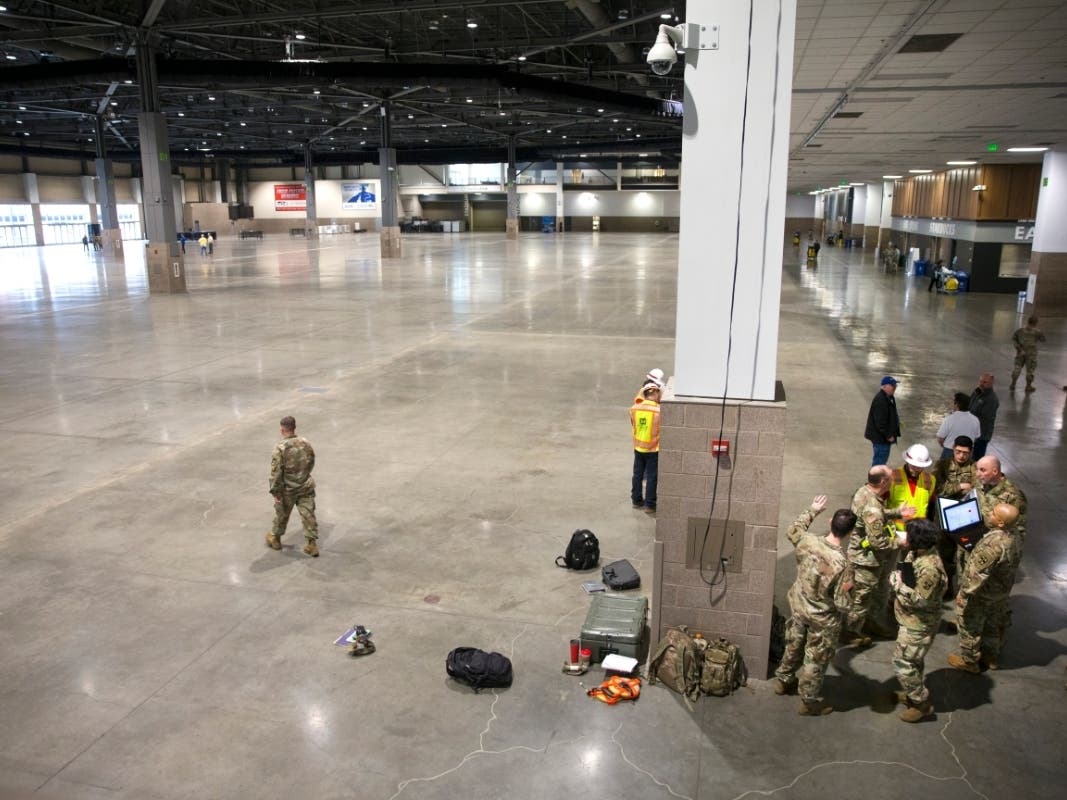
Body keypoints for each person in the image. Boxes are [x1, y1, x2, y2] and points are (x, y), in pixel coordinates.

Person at [774, 495, 855, 716]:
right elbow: (842, 603)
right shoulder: (842, 565)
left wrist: (813, 509)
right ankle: (809, 701)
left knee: (793, 643)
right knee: (815, 658)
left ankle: (783, 680)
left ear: (830, 522)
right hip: (823, 618)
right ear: (850, 533)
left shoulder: (807, 541)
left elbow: (793, 529)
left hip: (799, 605)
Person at [843, 466, 914, 647]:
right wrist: (900, 542)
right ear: (883, 482)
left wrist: (897, 512)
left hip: (864, 556)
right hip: (866, 560)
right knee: (862, 597)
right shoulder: (873, 507)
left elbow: (873, 514)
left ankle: (872, 623)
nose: (893, 482)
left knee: (872, 593)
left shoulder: (864, 492)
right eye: (890, 479)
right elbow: (878, 542)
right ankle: (852, 632)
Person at [948, 503, 1021, 673]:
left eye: (994, 514)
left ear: (1001, 523)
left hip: (982, 594)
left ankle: (969, 661)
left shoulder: (992, 544)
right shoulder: (1015, 536)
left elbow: (977, 575)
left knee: (968, 623)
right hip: (1000, 592)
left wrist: (964, 594)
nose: (989, 513)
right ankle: (990, 657)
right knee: (992, 624)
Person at [890, 518, 947, 722]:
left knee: (902, 662)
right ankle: (913, 694)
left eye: (909, 534)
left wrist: (897, 585)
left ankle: (921, 703)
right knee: (914, 660)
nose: (904, 537)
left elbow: (921, 600)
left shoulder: (929, 568)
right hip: (909, 619)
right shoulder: (918, 552)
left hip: (919, 623)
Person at [266, 415, 319, 557]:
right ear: (294, 427)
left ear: (282, 429)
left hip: (287, 490)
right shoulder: (305, 443)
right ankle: (311, 544)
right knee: (308, 514)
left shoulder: (280, 448)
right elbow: (311, 461)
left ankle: (275, 539)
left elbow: (276, 472)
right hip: (305, 486)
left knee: (282, 514)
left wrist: (276, 492)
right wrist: (303, 475)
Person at [932, 435, 977, 597]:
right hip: (943, 515)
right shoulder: (943, 465)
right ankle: (946, 585)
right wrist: (960, 486)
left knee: (964, 554)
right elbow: (938, 489)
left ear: (970, 452)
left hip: (965, 516)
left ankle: (962, 589)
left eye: (965, 453)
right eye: (958, 451)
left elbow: (978, 490)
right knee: (943, 551)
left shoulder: (976, 468)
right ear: (953, 449)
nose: (961, 456)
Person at [630, 382, 661, 515]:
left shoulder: (634, 408)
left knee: (637, 474)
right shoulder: (659, 410)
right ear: (655, 393)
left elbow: (633, 423)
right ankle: (649, 505)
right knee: (652, 477)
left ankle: (636, 500)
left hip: (638, 447)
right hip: (653, 449)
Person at [864, 376, 901, 466]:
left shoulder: (889, 397)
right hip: (881, 438)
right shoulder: (881, 400)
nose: (895, 386)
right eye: (892, 385)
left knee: (881, 460)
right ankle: (875, 479)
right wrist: (888, 436)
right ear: (884, 386)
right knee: (879, 462)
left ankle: (876, 477)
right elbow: (880, 423)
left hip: (882, 437)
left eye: (895, 384)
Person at [935, 393, 981, 460]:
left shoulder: (949, 419)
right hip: (967, 453)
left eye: (953, 401)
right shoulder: (975, 420)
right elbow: (976, 438)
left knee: (944, 469)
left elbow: (940, 438)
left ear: (956, 404)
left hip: (950, 451)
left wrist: (944, 445)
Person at [1010, 315, 1046, 393]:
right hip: (1031, 354)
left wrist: (1019, 348)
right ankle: (1028, 386)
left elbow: (1014, 339)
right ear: (1036, 323)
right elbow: (1043, 340)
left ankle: (1013, 384)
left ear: (1028, 321)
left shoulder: (1020, 330)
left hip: (1021, 353)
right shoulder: (1037, 332)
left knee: (1017, 368)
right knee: (1030, 371)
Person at [968, 373, 999, 460]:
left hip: (981, 435)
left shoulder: (991, 400)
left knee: (976, 459)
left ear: (991, 383)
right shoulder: (977, 391)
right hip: (973, 432)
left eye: (985, 382)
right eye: (980, 381)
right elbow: (969, 405)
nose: (981, 384)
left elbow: (984, 419)